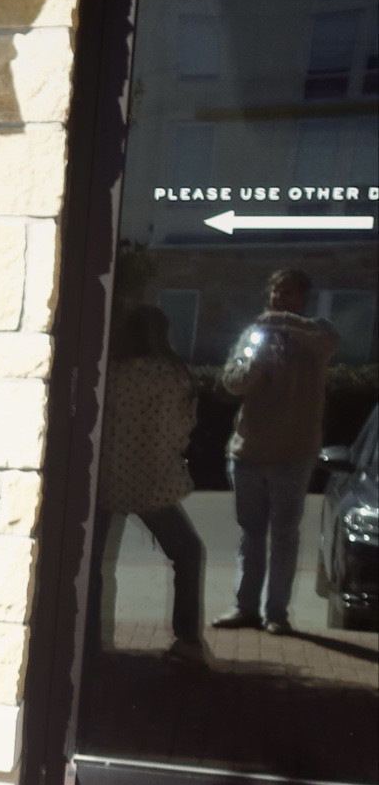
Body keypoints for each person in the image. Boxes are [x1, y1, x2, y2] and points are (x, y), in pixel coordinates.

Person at [213, 267, 337, 634]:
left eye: (289, 293)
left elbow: (326, 342)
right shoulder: (254, 335)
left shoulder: (317, 334)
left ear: (302, 298)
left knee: (284, 534)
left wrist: (283, 324)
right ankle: (244, 607)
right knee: (251, 534)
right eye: (275, 293)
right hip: (248, 452)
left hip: (293, 454)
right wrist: (257, 358)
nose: (280, 300)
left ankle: (276, 613)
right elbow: (233, 382)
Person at [90, 302, 205, 663]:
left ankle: (86, 642)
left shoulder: (109, 373)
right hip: (153, 481)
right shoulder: (174, 376)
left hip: (105, 478)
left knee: (88, 564)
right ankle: (187, 641)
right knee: (187, 552)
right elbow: (183, 430)